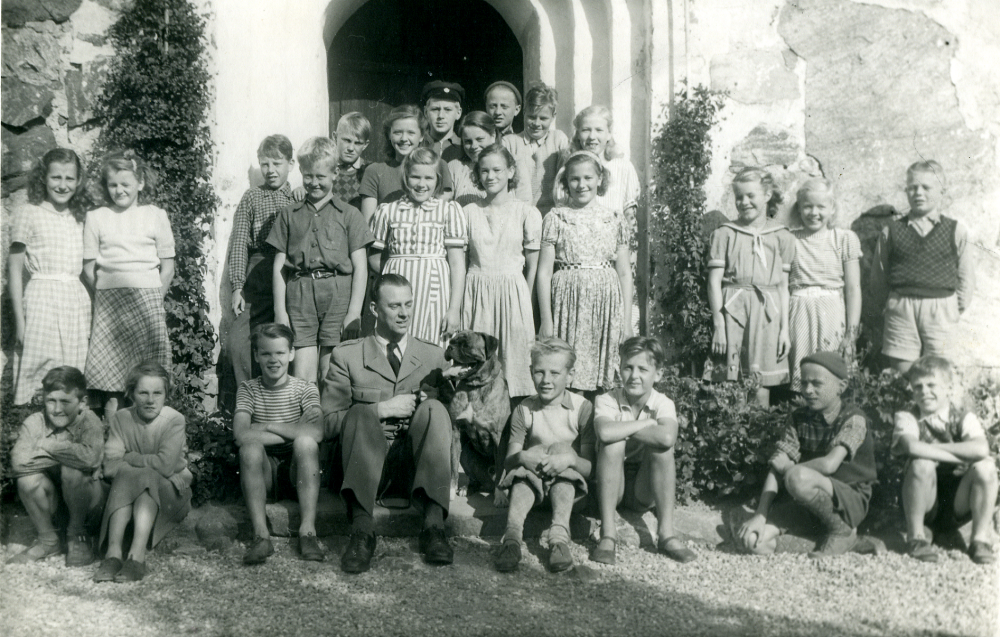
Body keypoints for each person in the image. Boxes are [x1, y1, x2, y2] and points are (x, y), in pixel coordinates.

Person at [322, 274, 455, 573]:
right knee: (360, 413)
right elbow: (328, 424)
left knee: (435, 409)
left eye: (408, 304)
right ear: (373, 309)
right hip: (364, 466)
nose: (404, 313)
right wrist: (380, 410)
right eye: (394, 306)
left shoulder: (433, 356)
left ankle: (434, 528)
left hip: (414, 470)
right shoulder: (348, 356)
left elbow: (448, 425)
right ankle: (361, 531)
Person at [737, 352, 876, 558]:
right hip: (807, 499)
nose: (808, 390)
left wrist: (788, 469)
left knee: (797, 476)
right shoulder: (798, 418)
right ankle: (824, 543)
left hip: (848, 499)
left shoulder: (853, 419)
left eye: (817, 383)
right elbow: (777, 464)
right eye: (804, 383)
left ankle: (842, 531)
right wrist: (760, 514)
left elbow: (829, 465)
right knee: (753, 542)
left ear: (842, 386)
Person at [268, 136, 373, 383]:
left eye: (321, 177)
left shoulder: (350, 215)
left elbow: (361, 267)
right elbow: (278, 268)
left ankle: (330, 421)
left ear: (335, 173)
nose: (314, 183)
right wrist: (280, 310)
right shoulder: (288, 215)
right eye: (308, 176)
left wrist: (354, 312)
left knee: (331, 369)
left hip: (338, 296)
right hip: (300, 295)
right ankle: (306, 420)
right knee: (303, 373)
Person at [83, 150, 174, 417]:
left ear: (140, 183)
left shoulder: (155, 215)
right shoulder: (96, 217)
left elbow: (167, 267)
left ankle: (148, 436)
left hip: (147, 300)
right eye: (113, 185)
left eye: (125, 184)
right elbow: (89, 269)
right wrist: (105, 292)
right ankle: (114, 442)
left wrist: (155, 298)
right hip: (109, 302)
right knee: (113, 388)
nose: (119, 190)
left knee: (146, 377)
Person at [591, 337, 696, 565]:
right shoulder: (607, 400)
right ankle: (608, 534)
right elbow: (605, 434)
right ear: (619, 370)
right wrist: (645, 424)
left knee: (662, 450)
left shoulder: (663, 403)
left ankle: (666, 534)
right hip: (612, 485)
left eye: (643, 369)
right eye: (628, 367)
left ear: (657, 374)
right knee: (613, 444)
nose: (634, 375)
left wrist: (623, 428)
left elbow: (667, 436)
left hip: (644, 486)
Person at [494, 337, 595, 573]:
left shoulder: (582, 408)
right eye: (539, 372)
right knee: (530, 457)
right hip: (531, 492)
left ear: (570, 375)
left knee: (562, 450)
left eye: (555, 373)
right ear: (530, 372)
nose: (546, 380)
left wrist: (569, 459)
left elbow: (591, 468)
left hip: (570, 495)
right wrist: (523, 457)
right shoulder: (524, 409)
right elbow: (510, 459)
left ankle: (559, 540)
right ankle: (511, 540)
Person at [537, 150, 632, 393]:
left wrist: (627, 322)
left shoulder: (615, 218)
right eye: (575, 179)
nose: (582, 185)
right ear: (566, 182)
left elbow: (623, 273)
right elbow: (545, 272)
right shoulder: (556, 217)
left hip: (605, 303)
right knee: (568, 374)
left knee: (605, 379)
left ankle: (600, 425)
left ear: (600, 179)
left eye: (588, 178)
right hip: (568, 303)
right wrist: (546, 320)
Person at [870, 161, 975, 374]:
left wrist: (952, 308)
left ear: (942, 191)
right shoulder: (891, 230)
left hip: (941, 309)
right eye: (912, 187)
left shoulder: (955, 230)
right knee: (901, 375)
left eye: (926, 187)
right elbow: (878, 277)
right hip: (901, 308)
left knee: (939, 374)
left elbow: (967, 279)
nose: (918, 193)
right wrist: (891, 305)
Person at [892, 355, 997, 564]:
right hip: (924, 498)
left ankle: (979, 540)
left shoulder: (962, 418)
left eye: (932, 385)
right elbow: (912, 446)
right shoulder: (907, 417)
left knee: (986, 467)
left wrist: (930, 448)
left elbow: (981, 449)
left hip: (958, 499)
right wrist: (960, 453)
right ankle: (917, 538)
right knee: (922, 463)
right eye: (918, 387)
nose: (924, 392)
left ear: (949, 389)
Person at [234, 323, 325, 565]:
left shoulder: (305, 389)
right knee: (250, 448)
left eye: (280, 353)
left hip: (298, 472)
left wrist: (266, 426)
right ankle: (261, 536)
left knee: (306, 444)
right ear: (256, 355)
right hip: (263, 473)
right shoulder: (248, 389)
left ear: (292, 354)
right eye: (265, 353)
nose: (273, 360)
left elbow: (316, 432)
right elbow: (241, 435)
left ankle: (307, 532)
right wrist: (295, 428)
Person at [94, 362, 192, 583]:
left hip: (171, 488)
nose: (150, 400)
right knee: (137, 475)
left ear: (166, 394)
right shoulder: (121, 418)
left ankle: (136, 556)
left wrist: (129, 457)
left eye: (157, 393)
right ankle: (114, 554)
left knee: (138, 474)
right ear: (131, 394)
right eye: (143, 393)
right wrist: (149, 465)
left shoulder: (173, 420)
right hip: (132, 487)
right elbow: (110, 466)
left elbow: (166, 466)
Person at [8, 148, 91, 406]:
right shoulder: (28, 213)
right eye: (56, 177)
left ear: (78, 181)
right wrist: (19, 322)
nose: (62, 185)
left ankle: (69, 420)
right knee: (39, 359)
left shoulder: (82, 217)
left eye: (69, 179)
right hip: (41, 297)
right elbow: (13, 269)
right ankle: (33, 417)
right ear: (44, 177)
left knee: (73, 361)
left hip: (74, 299)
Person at [707, 167, 794, 407]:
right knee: (731, 382)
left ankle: (758, 434)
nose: (744, 202)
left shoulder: (782, 236)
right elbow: (714, 281)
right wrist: (719, 325)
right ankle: (732, 438)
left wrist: (784, 330)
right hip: (733, 309)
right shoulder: (725, 234)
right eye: (739, 197)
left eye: (751, 195)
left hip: (767, 312)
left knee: (760, 385)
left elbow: (784, 286)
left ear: (767, 195)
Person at [462, 143, 542, 398]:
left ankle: (514, 432)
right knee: (478, 367)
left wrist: (524, 303)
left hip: (513, 296)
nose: (491, 176)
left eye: (497, 170)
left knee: (514, 367)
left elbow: (533, 265)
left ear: (510, 171)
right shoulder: (468, 212)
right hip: (477, 294)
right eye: (484, 171)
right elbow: (462, 262)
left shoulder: (526, 212)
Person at [7, 367, 105, 567]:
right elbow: (18, 463)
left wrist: (47, 445)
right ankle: (49, 540)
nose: (57, 409)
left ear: (83, 403)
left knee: (73, 471)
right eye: (51, 401)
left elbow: (90, 458)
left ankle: (78, 536)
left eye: (65, 402)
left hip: (89, 504)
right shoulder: (34, 422)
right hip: (56, 505)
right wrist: (71, 454)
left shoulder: (90, 421)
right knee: (27, 479)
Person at [223, 135, 295, 408]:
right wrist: (237, 285)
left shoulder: (297, 196)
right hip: (256, 272)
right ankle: (246, 403)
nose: (271, 170)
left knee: (283, 340)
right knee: (239, 344)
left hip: (287, 273)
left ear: (291, 163)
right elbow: (240, 241)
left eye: (277, 163)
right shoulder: (252, 196)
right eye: (264, 164)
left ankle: (281, 404)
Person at [370, 147, 468, 346]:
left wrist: (453, 309)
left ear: (438, 180)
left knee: (431, 344)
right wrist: (395, 272)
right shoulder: (389, 210)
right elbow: (373, 258)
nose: (422, 184)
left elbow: (457, 264)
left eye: (429, 178)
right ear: (406, 177)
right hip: (397, 287)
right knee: (395, 341)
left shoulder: (448, 210)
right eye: (415, 177)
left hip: (435, 289)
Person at [787, 178, 862, 390]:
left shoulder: (844, 239)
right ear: (799, 209)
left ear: (832, 209)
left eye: (821, 206)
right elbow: (783, 287)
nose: (814, 212)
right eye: (807, 206)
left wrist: (851, 333)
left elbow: (853, 289)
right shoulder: (790, 240)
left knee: (833, 371)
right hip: (799, 313)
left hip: (832, 313)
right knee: (803, 373)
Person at [358, 104, 455, 224]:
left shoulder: (439, 166)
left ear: (421, 136)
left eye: (411, 133)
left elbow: (443, 214)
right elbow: (368, 224)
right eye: (398, 132)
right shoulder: (374, 171)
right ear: (389, 135)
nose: (404, 138)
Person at [501, 82, 570, 215]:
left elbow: (565, 178)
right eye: (531, 117)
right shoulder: (509, 142)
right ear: (524, 113)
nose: (537, 123)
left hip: (552, 214)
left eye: (543, 118)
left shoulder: (559, 139)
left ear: (553, 116)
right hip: (518, 215)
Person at [330, 112, 372, 210]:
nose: (351, 148)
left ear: (365, 145)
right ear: (335, 137)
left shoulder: (369, 170)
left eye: (358, 143)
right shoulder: (326, 167)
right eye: (347, 140)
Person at [421, 81, 465, 163]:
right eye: (435, 109)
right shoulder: (418, 144)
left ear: (458, 113)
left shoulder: (465, 147)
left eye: (448, 110)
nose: (441, 116)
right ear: (426, 112)